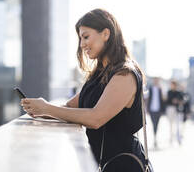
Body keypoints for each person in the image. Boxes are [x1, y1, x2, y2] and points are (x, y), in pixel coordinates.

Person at [20, 9, 153, 172]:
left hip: (124, 164)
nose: (82, 44)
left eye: (86, 36)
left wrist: (47, 107)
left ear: (105, 34)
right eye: (80, 38)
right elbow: (69, 107)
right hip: (101, 162)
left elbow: (96, 118)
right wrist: (39, 110)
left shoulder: (125, 75)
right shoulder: (99, 74)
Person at [147, 77, 165, 148]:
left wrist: (163, 110)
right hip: (152, 109)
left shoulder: (160, 89)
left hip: (158, 109)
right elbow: (148, 98)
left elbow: (163, 100)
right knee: (153, 123)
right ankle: (154, 138)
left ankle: (155, 137)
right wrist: (147, 109)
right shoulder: (150, 88)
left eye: (157, 80)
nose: (156, 81)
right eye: (155, 80)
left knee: (157, 124)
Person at [165, 80, 184, 145]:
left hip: (177, 110)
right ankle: (171, 138)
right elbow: (167, 101)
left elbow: (182, 101)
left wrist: (177, 101)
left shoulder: (179, 92)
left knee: (178, 125)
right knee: (171, 125)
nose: (172, 86)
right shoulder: (169, 92)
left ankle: (178, 139)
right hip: (170, 109)